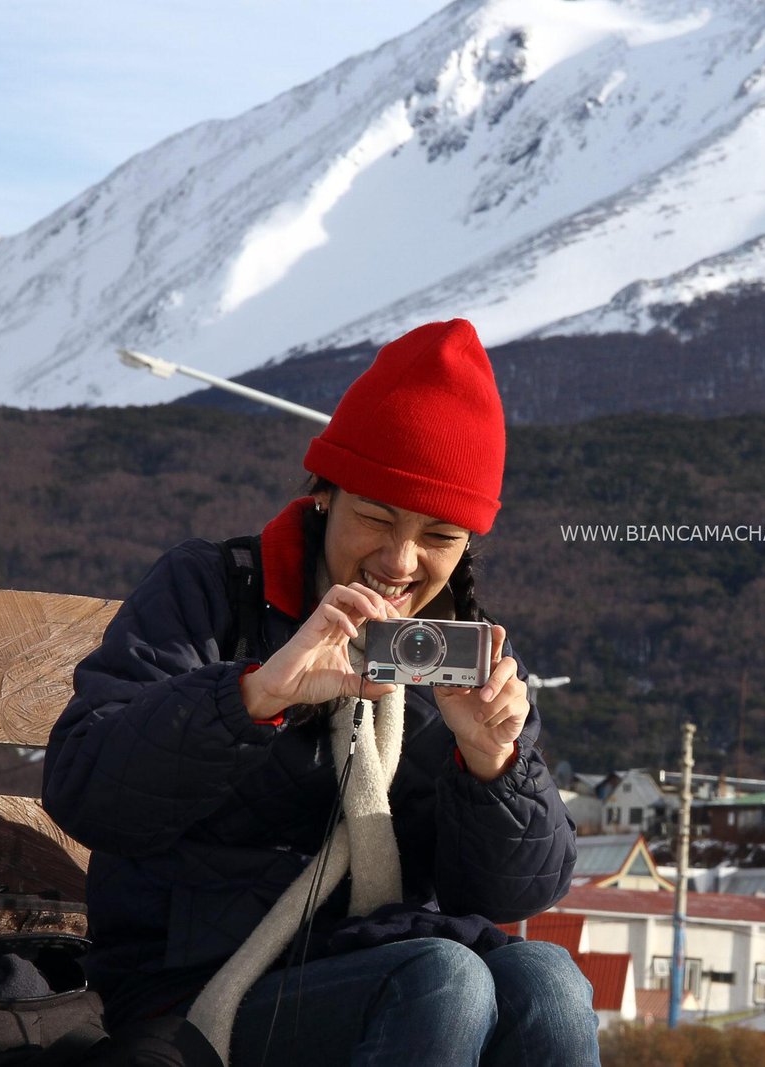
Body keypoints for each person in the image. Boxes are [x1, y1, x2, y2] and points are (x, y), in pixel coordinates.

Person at [42, 320, 599, 1066]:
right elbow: (84, 787)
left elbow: (509, 894)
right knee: (444, 979)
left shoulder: (457, 652)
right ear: (324, 495)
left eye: (440, 534)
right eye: (375, 515)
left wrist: (492, 765)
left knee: (549, 981)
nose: (400, 560)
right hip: (195, 983)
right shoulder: (214, 592)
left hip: (379, 957)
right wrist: (252, 697)